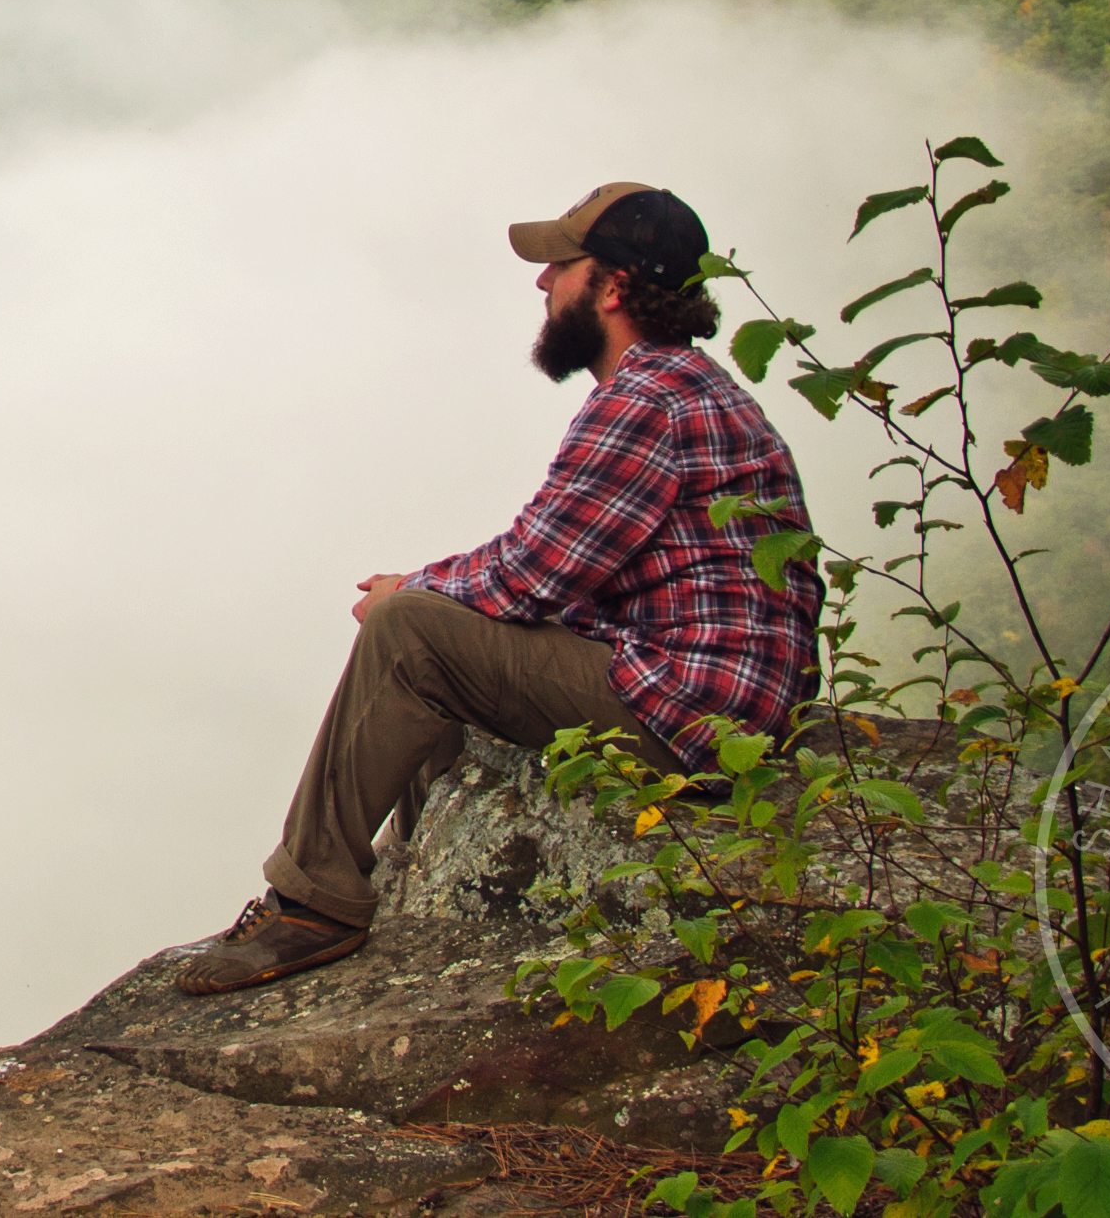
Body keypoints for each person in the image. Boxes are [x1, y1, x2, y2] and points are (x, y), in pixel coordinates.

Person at [172, 181, 825, 996]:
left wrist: (407, 591)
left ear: (614, 286)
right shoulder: (689, 385)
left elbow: (532, 575)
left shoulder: (645, 400)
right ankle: (409, 870)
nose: (542, 283)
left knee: (410, 632)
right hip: (720, 704)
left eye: (561, 265)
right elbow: (570, 572)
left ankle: (313, 902)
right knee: (440, 624)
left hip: (692, 714)